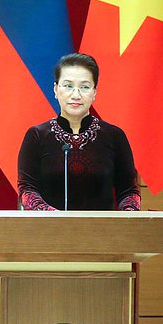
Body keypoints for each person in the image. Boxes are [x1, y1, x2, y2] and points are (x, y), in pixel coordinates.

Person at [17, 52, 140, 211]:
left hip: (103, 232)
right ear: (55, 89)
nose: (76, 95)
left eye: (84, 87)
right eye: (68, 86)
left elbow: (129, 191)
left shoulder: (114, 136)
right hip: (48, 231)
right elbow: (27, 189)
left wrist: (127, 218)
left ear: (94, 92)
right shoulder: (36, 136)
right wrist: (53, 217)